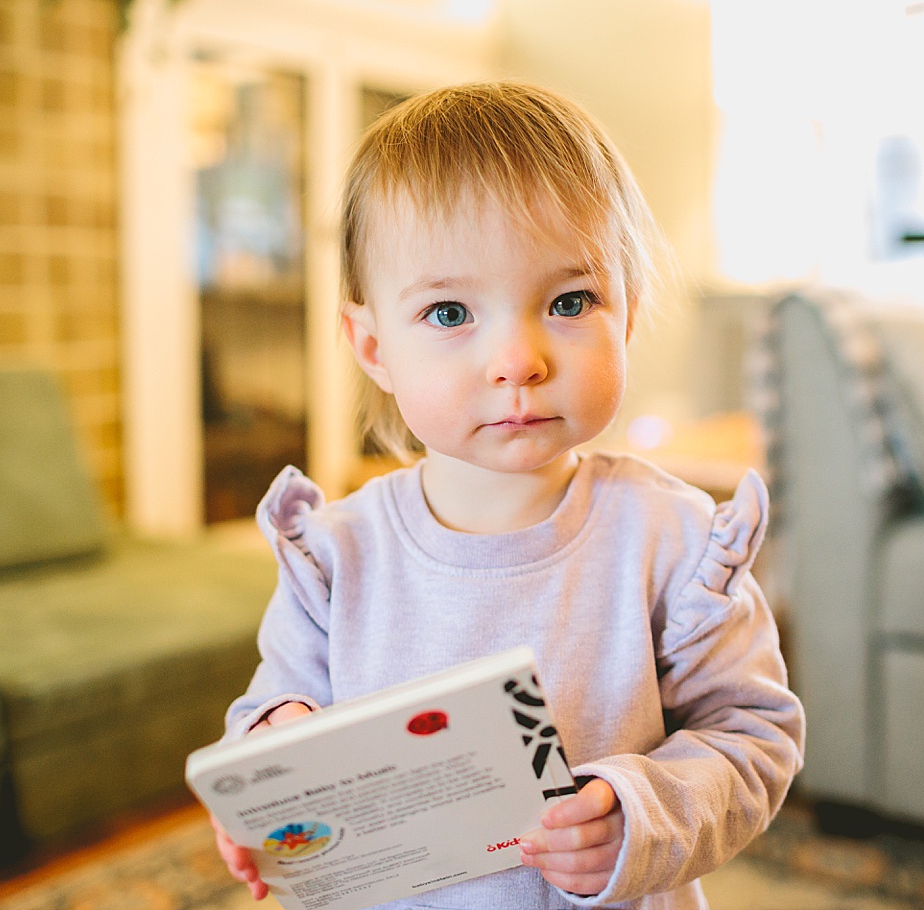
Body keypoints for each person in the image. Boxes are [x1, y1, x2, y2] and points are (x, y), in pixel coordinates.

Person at [209, 81, 804, 908]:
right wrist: (272, 762)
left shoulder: (672, 540)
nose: (518, 358)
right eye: (451, 312)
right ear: (374, 347)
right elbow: (274, 706)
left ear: (626, 315)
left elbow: (753, 739)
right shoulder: (337, 556)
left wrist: (638, 813)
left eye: (569, 302)